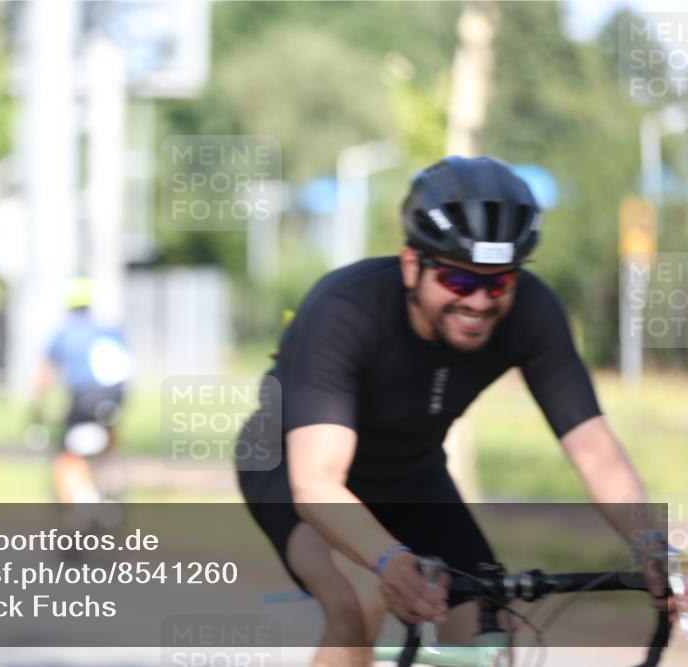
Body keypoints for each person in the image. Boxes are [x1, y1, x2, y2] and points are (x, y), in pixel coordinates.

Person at [235, 156, 685, 666]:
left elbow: (595, 452)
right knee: (358, 599)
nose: (478, 302)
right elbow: (316, 481)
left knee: (490, 634)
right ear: (412, 266)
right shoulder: (346, 311)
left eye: (498, 284)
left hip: (411, 475)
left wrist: (651, 545)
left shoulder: (533, 313)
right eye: (456, 281)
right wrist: (388, 560)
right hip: (288, 468)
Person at [32, 277, 132, 507]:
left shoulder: (64, 334)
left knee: (67, 454)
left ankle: (81, 497)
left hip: (83, 399)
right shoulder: (110, 330)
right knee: (110, 435)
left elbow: (44, 375)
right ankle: (112, 483)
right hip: (114, 397)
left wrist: (37, 407)